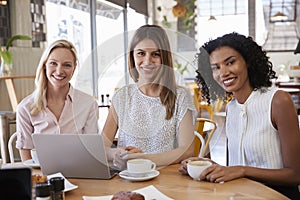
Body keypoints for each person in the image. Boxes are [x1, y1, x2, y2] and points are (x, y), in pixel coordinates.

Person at [179, 32, 300, 199]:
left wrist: (242, 171)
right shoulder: (231, 108)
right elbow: (235, 167)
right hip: (239, 194)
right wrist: (208, 167)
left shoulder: (278, 101)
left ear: (248, 62)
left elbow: (295, 175)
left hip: (277, 195)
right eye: (216, 67)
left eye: (230, 62)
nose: (223, 73)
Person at [102, 24, 197, 170]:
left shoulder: (181, 97)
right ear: (132, 57)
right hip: (128, 179)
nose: (147, 61)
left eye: (155, 54)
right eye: (141, 53)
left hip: (167, 180)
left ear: (164, 58)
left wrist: (143, 159)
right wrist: (116, 154)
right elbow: (102, 147)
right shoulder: (122, 96)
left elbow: (187, 150)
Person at [16, 39, 99, 162]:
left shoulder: (88, 104)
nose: (59, 71)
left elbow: (92, 149)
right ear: (44, 65)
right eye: (53, 63)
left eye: (67, 65)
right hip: (43, 177)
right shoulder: (26, 107)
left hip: (78, 173)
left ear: (74, 68)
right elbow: (26, 154)